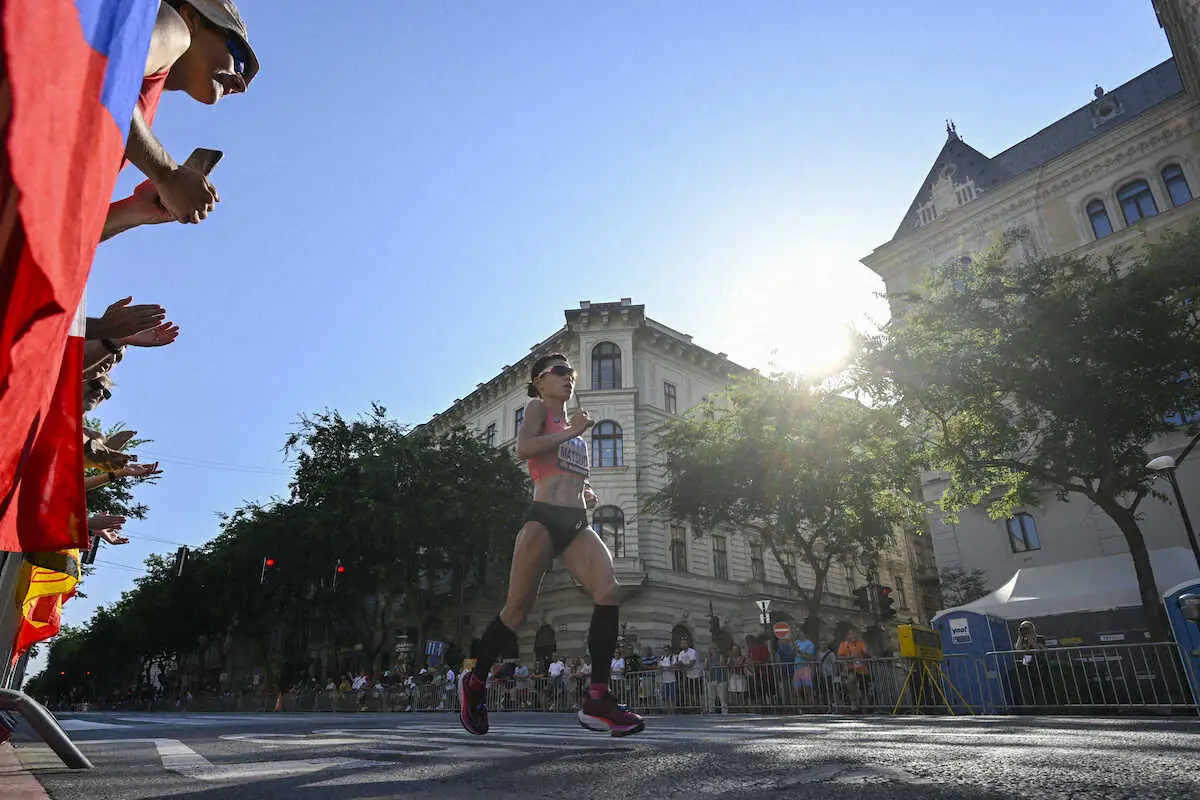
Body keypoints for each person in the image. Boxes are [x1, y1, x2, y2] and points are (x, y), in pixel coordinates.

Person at [459, 353, 643, 737]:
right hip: (542, 518)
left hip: (575, 522)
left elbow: (573, 473)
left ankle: (597, 698)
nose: (568, 378)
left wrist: (587, 491)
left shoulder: (573, 425)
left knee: (608, 590)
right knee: (516, 611)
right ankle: (475, 682)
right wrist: (573, 432)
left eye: (570, 373)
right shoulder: (537, 408)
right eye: (559, 372)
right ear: (540, 382)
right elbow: (525, 449)